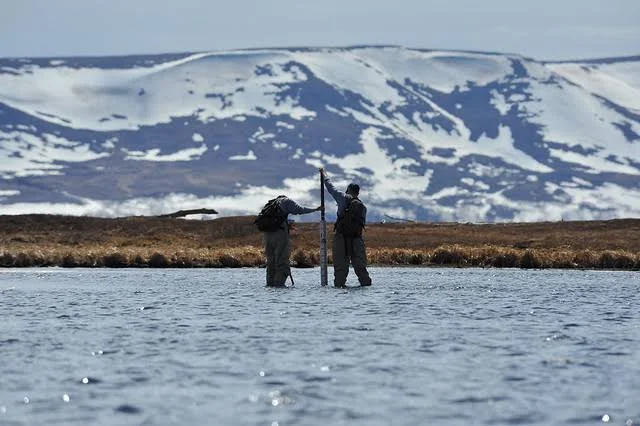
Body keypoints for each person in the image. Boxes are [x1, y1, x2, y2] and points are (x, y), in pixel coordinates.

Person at [320, 169, 372, 288]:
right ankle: (367, 292)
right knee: (361, 269)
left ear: (348, 190)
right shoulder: (363, 207)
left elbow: (331, 188)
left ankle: (340, 293)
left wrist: (324, 176)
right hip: (357, 240)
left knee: (340, 270)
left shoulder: (343, 197)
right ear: (358, 193)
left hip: (341, 239)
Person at [260, 195, 321, 287]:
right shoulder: (286, 201)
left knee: (270, 262)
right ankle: (279, 286)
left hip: (267, 235)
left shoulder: (271, 204)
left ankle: (270, 286)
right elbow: (299, 210)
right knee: (282, 261)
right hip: (280, 235)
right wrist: (315, 209)